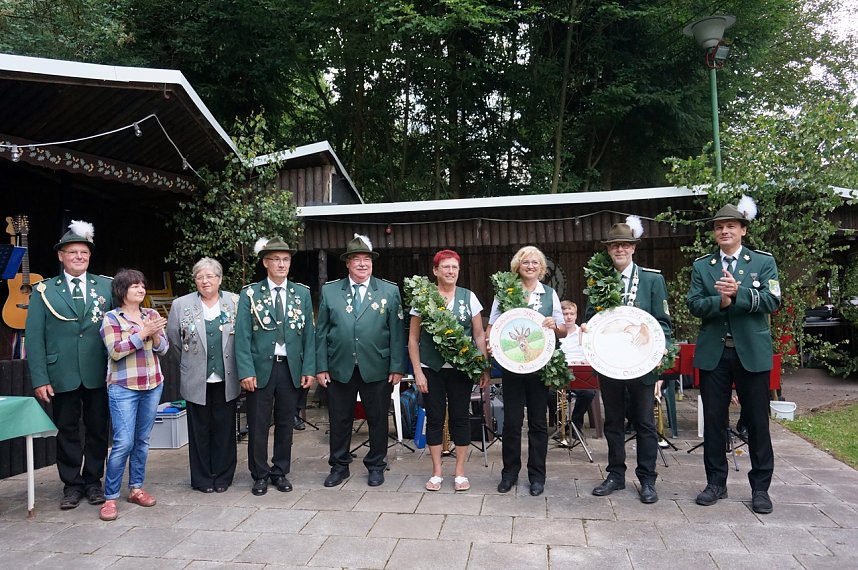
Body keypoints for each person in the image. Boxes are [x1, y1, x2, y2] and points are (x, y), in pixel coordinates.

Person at [687, 198, 780, 515]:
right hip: (715, 354)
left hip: (751, 352)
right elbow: (694, 304)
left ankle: (760, 489)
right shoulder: (703, 266)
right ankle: (716, 483)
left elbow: (772, 300)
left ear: (743, 230)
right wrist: (721, 302)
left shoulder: (762, 262)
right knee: (713, 422)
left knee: (757, 422)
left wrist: (738, 294)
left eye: (730, 226)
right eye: (719, 227)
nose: (724, 231)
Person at [25, 220, 113, 510]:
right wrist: (40, 378)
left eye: (84, 252)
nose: (79, 257)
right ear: (61, 256)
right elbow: (34, 338)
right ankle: (72, 485)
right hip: (61, 373)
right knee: (67, 430)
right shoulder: (43, 290)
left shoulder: (107, 286)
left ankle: (93, 481)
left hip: (99, 371)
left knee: (98, 429)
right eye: (73, 252)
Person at [584, 217, 671, 504]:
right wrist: (586, 329)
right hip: (610, 363)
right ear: (608, 250)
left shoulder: (652, 279)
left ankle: (647, 479)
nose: (619, 249)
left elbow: (663, 324)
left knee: (644, 422)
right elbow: (590, 319)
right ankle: (615, 475)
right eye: (614, 246)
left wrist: (659, 357)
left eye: (624, 245)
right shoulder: (598, 280)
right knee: (613, 422)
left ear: (633, 248)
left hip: (642, 363)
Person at [315, 234, 405, 488]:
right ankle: (339, 466)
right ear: (348, 263)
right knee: (339, 419)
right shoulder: (330, 291)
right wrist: (320, 366)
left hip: (377, 366)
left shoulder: (389, 290)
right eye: (357, 259)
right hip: (339, 367)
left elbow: (397, 332)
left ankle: (376, 465)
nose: (363, 264)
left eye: (367, 259)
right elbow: (321, 332)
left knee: (378, 418)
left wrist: (397, 366)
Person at [235, 237, 315, 496]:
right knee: (258, 424)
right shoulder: (250, 294)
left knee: (285, 423)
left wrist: (308, 368)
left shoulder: (301, 293)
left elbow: (309, 335)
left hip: (290, 367)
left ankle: (280, 471)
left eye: (286, 259)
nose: (282, 264)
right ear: (265, 263)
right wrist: (246, 371)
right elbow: (242, 336)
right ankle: (259, 474)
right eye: (276, 259)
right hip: (260, 369)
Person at [407, 250, 490, 492]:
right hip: (430, 369)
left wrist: (483, 366)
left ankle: (460, 472)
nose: (450, 271)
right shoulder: (423, 298)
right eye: (445, 267)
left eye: (454, 267)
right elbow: (413, 339)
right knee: (434, 418)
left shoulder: (468, 297)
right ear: (435, 271)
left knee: (460, 418)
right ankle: (436, 472)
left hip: (460, 369)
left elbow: (478, 335)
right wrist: (417, 372)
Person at [487, 246, 566, 497]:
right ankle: (509, 473)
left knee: (538, 423)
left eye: (535, 262)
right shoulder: (505, 292)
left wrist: (555, 325)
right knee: (511, 422)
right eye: (525, 262)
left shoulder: (549, 294)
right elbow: (492, 326)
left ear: (541, 268)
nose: (530, 266)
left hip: (540, 368)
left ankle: (537, 476)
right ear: (517, 266)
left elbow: (563, 330)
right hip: (512, 367)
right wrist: (490, 344)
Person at [98, 269, 169, 521]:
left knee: (142, 440)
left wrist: (156, 334)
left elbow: (163, 349)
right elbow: (116, 351)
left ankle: (136, 488)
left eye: (142, 285)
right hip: (123, 387)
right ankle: (110, 497)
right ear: (122, 290)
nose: (141, 289)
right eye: (134, 286)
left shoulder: (151, 314)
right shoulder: (111, 318)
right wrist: (143, 333)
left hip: (152, 384)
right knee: (123, 442)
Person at [167, 257, 239, 494]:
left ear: (219, 279)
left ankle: (223, 476)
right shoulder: (181, 304)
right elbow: (174, 341)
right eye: (200, 277)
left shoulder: (235, 302)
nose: (205, 281)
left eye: (210, 276)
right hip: (196, 378)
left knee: (225, 429)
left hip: (227, 377)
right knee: (199, 431)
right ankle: (202, 478)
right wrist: (191, 365)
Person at [558, 300, 595, 438]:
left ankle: (575, 423)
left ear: (576, 315)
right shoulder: (555, 333)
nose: (568, 317)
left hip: (579, 373)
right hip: (560, 373)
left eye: (571, 314)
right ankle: (561, 426)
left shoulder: (583, 332)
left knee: (588, 393)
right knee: (549, 394)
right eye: (565, 314)